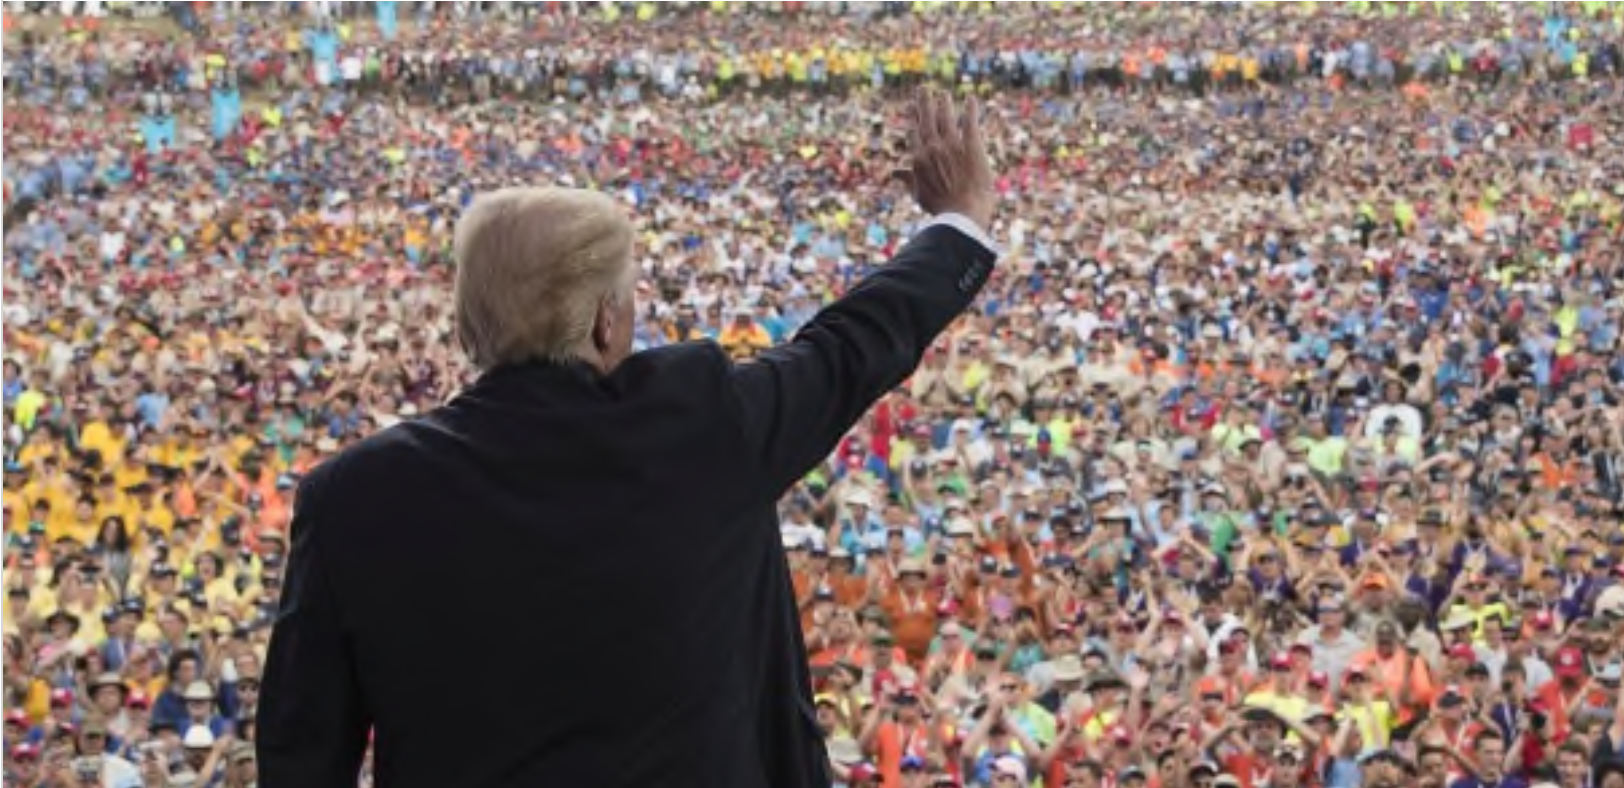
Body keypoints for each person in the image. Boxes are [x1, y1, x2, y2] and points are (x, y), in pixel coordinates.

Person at [255, 87, 1000, 788]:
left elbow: (301, 755)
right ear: (609, 321)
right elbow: (849, 345)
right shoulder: (700, 424)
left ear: (464, 326)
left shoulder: (352, 497)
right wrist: (958, 219)